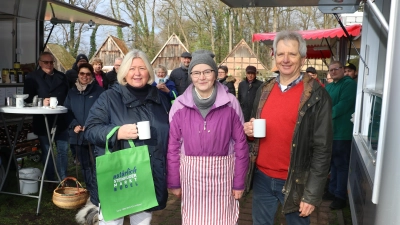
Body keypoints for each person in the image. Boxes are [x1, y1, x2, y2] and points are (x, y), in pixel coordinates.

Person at [243, 31, 332, 225]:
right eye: (280, 53)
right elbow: (254, 130)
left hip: (297, 181)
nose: (285, 59)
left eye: (292, 54)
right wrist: (249, 132)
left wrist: (312, 194)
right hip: (262, 178)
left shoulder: (317, 95)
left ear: (302, 57)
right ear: (274, 55)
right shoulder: (264, 89)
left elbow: (323, 149)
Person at [84, 49, 170, 225]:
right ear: (123, 72)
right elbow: (91, 130)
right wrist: (117, 133)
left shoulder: (161, 99)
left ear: (149, 71)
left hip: (150, 174)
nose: (137, 73)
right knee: (112, 221)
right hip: (120, 175)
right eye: (131, 68)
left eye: (142, 68)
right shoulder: (109, 98)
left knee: (143, 221)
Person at [167, 51, 249, 225]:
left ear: (215, 74)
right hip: (191, 178)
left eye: (207, 71)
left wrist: (239, 182)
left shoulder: (230, 102)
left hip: (223, 177)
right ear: (191, 76)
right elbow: (173, 146)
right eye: (196, 72)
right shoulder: (179, 105)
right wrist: (174, 181)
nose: (202, 77)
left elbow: (241, 145)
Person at [23, 52, 70, 183]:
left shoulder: (62, 76)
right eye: (46, 62)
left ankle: (63, 179)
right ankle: (50, 180)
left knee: (63, 150)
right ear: (40, 62)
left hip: (61, 120)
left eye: (51, 62)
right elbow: (26, 98)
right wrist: (40, 101)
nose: (49, 65)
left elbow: (68, 95)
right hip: (42, 120)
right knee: (47, 151)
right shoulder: (32, 77)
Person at [64, 63, 104, 197]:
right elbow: (67, 111)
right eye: (82, 74)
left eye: (88, 74)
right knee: (85, 166)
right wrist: (74, 125)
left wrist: (92, 124)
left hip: (94, 134)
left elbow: (103, 111)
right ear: (78, 75)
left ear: (91, 75)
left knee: (97, 166)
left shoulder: (99, 91)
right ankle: (90, 191)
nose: (85, 76)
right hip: (78, 135)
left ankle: (99, 192)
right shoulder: (71, 92)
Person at [324, 61, 357, 210]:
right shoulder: (329, 86)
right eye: (331, 70)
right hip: (329, 132)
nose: (333, 72)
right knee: (332, 164)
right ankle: (332, 190)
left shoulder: (349, 84)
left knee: (341, 165)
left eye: (336, 69)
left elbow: (344, 105)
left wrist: (323, 116)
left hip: (343, 133)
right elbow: (322, 104)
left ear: (343, 70)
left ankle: (340, 197)